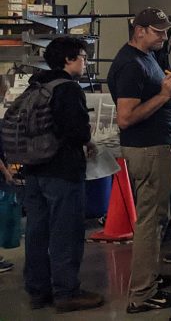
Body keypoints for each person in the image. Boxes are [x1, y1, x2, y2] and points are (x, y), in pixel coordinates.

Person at [108, 8, 171, 313]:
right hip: (148, 150)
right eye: (158, 31)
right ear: (139, 30)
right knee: (150, 223)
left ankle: (148, 277)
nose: (164, 37)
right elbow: (125, 118)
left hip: (157, 147)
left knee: (157, 219)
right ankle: (142, 294)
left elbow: (155, 91)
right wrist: (165, 96)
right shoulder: (129, 65)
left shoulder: (146, 58)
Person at [20, 36, 104, 312]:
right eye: (82, 56)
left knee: (36, 232)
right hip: (62, 170)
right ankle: (67, 293)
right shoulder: (67, 89)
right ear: (69, 59)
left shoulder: (36, 85)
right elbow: (77, 131)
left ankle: (38, 291)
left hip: (33, 169)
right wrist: (87, 140)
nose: (86, 61)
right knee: (65, 232)